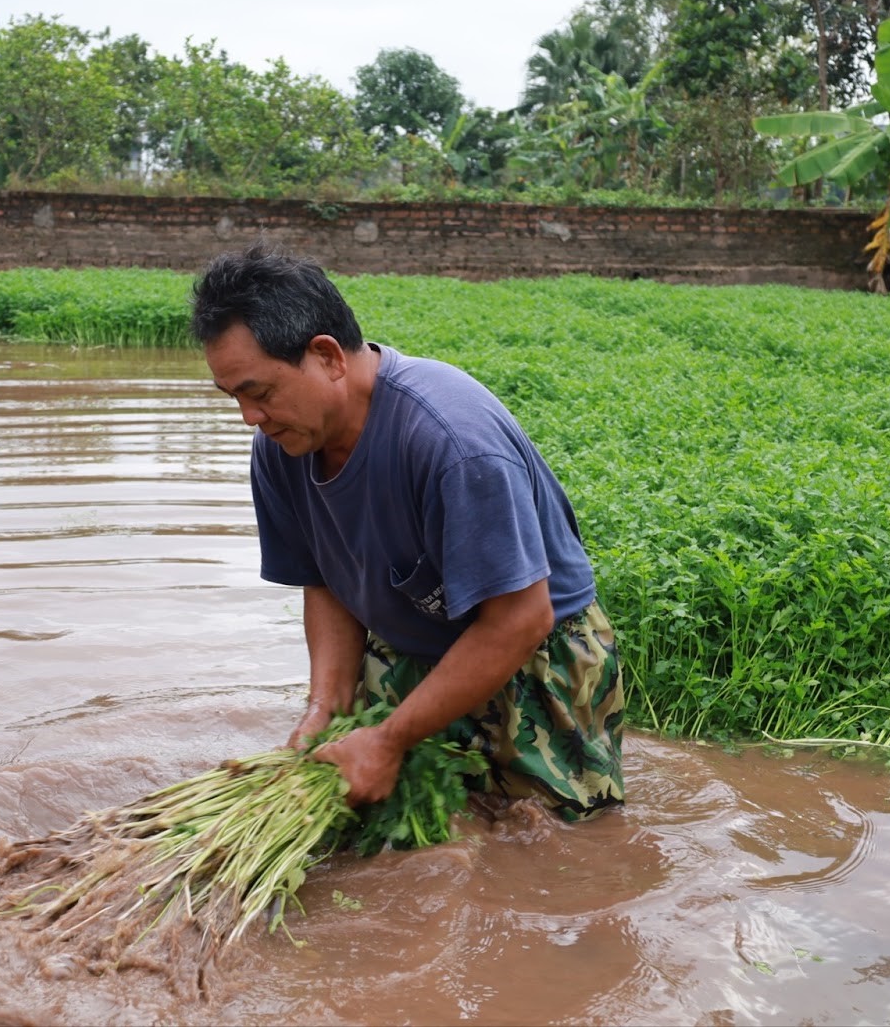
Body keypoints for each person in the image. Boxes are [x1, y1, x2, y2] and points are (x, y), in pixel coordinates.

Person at [190, 242, 624, 821]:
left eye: (259, 392)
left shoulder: (452, 441)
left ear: (327, 356)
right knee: (376, 826)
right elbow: (324, 581)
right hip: (408, 643)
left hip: (532, 659)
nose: (249, 417)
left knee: (548, 846)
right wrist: (327, 708)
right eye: (234, 397)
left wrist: (390, 739)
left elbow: (522, 618)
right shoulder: (282, 445)